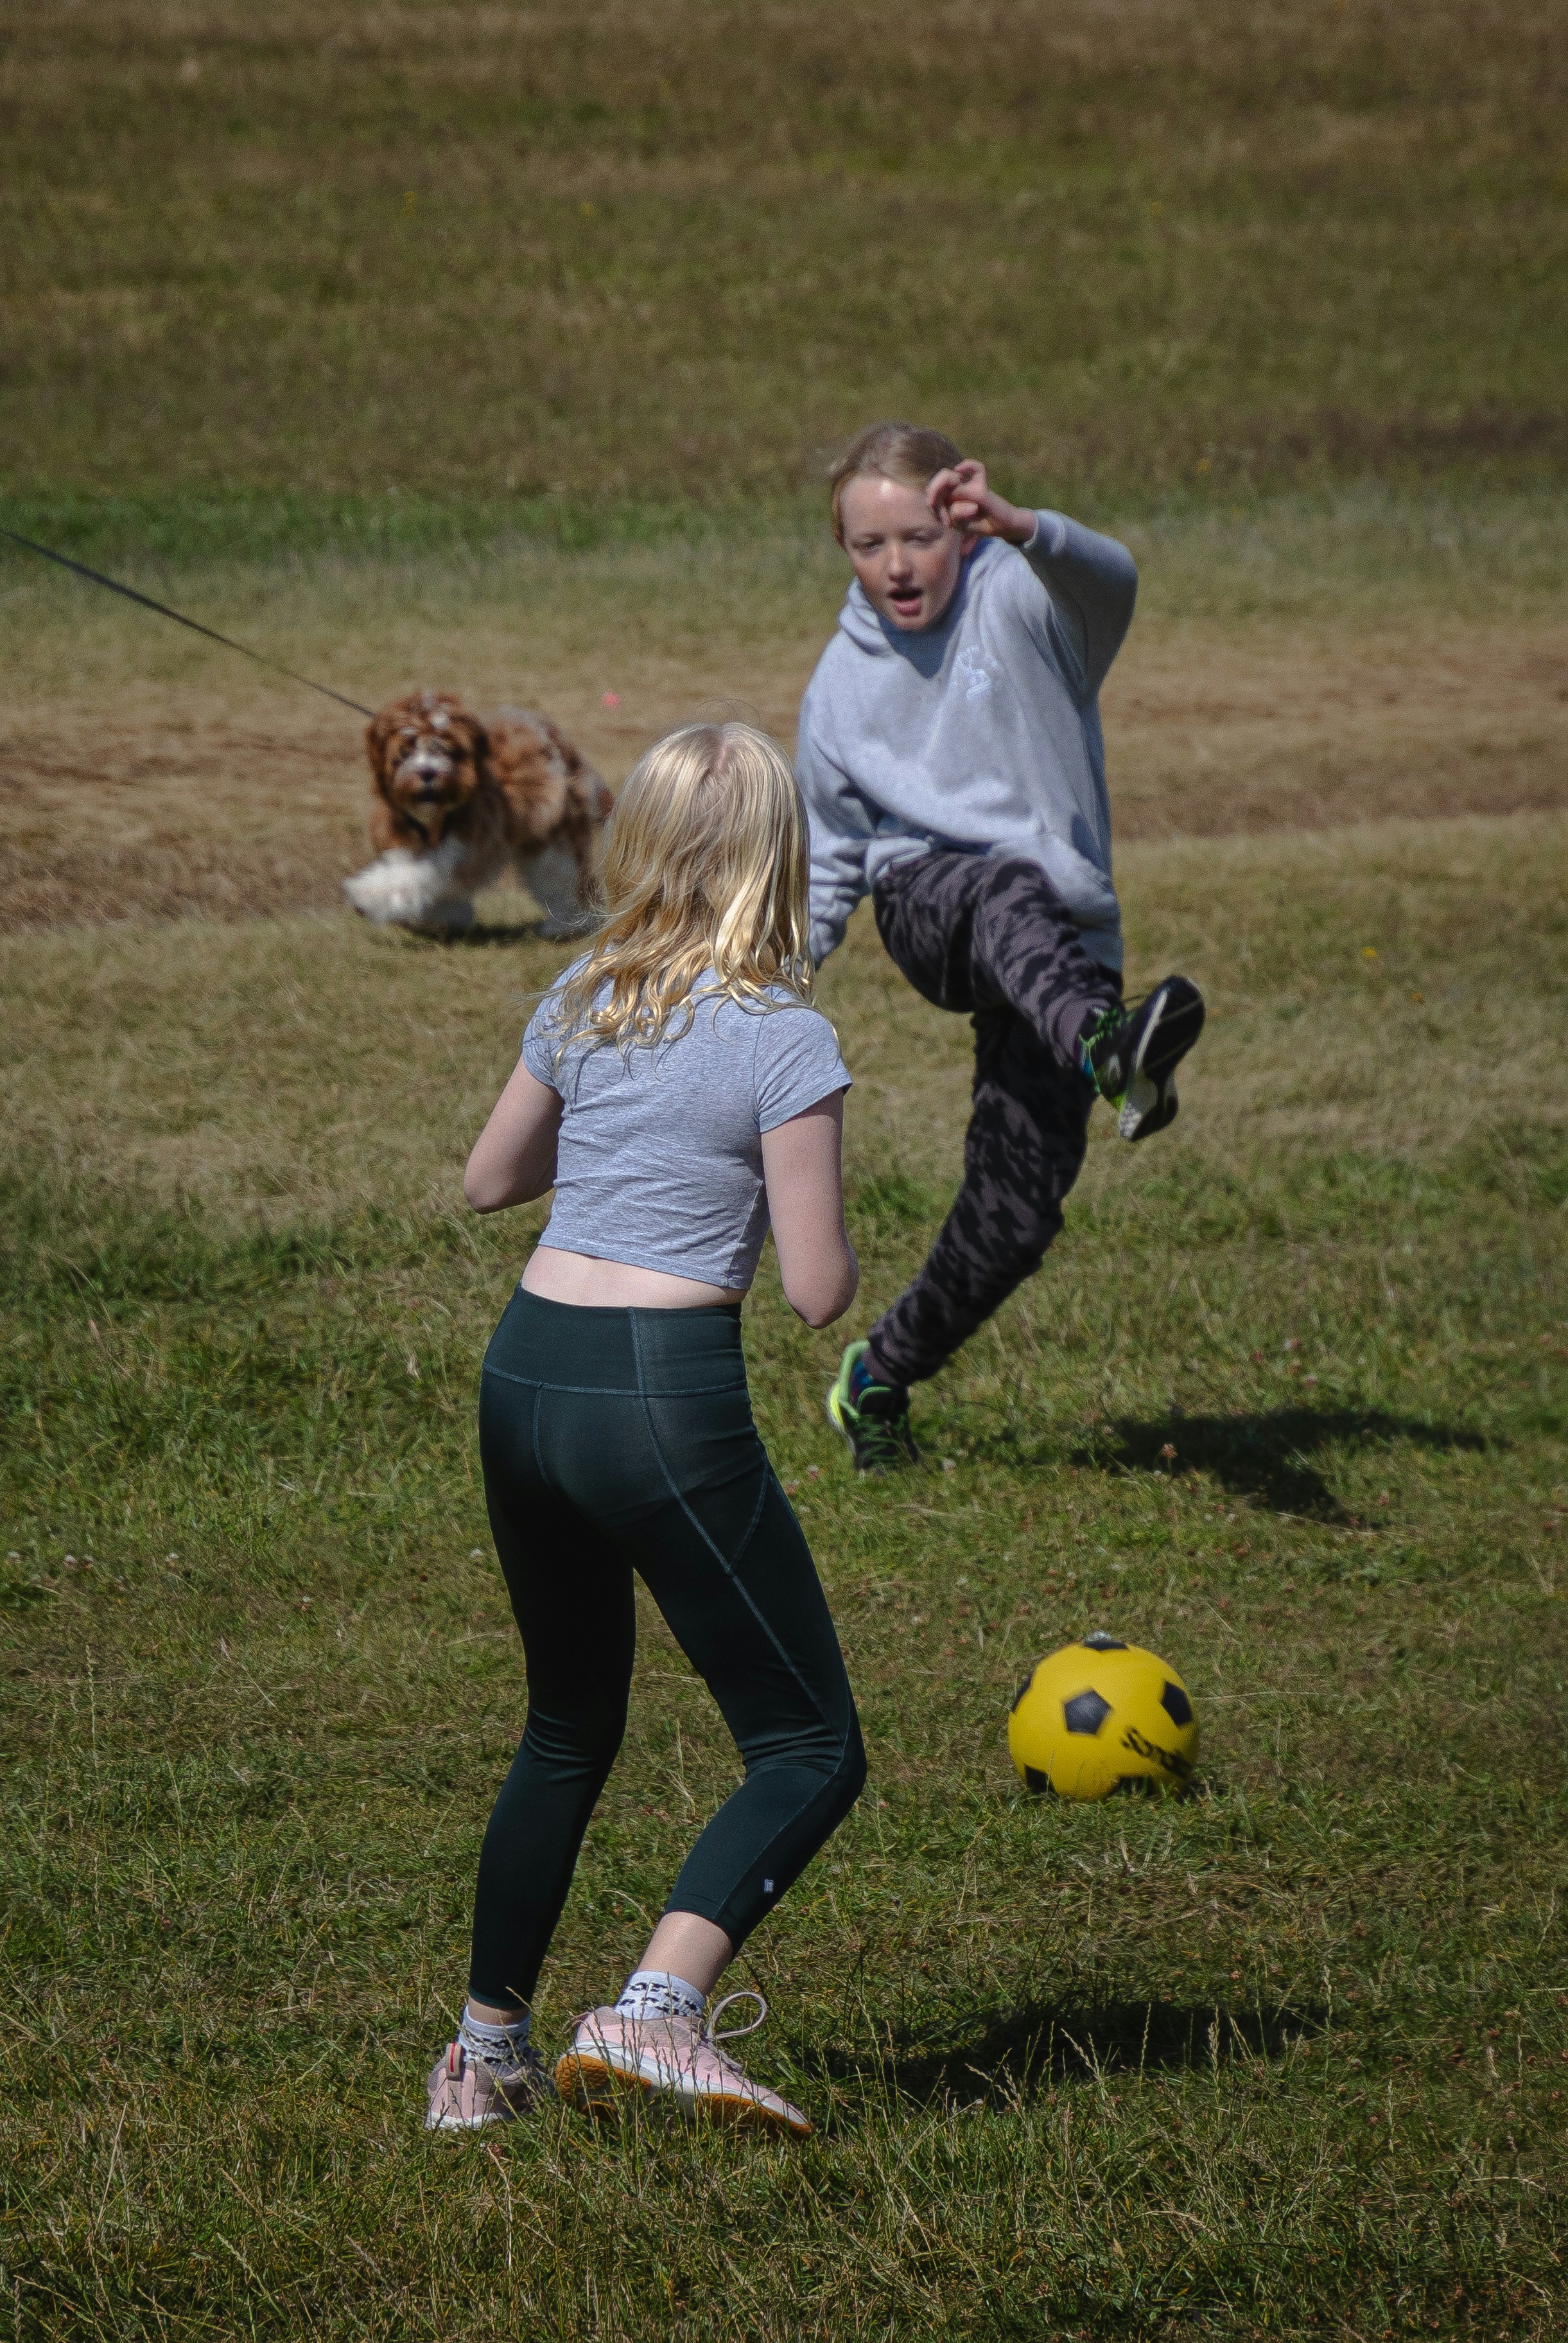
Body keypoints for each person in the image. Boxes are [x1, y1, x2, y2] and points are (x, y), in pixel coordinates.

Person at [424, 721, 865, 2140]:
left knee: (565, 1726)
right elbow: (814, 1295)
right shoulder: (789, 1035)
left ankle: (480, 2060)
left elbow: (492, 1180)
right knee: (806, 1745)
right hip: (659, 1399)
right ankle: (656, 2010)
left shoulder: (581, 992)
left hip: (525, 1374)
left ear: (645, 848)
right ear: (779, 860)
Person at [796, 421, 1205, 1473]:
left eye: (921, 536)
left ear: (963, 526)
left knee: (1018, 1211)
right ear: (841, 550)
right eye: (868, 544)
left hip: (1063, 950)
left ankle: (877, 1380)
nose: (897, 564)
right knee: (999, 885)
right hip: (930, 911)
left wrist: (1028, 528)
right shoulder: (836, 688)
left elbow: (1111, 580)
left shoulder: (1023, 602)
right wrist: (780, 978)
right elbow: (833, 856)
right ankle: (1111, 1052)